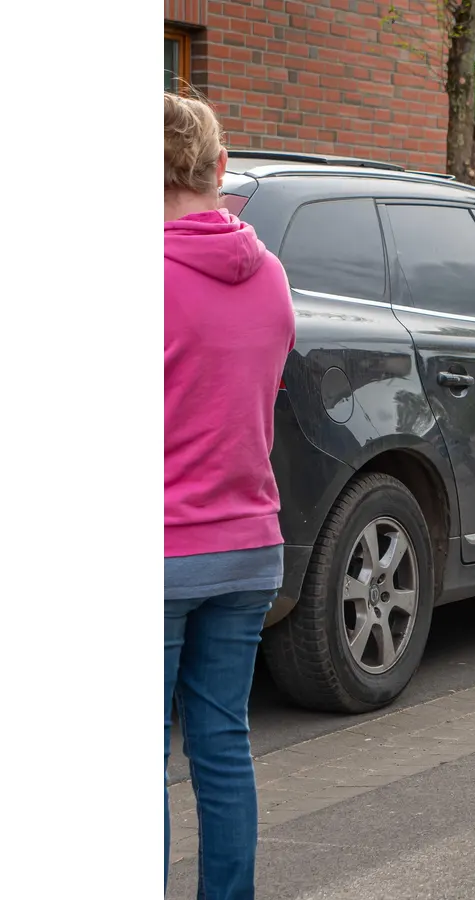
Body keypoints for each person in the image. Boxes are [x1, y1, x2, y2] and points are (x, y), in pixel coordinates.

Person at [165, 90, 296, 898]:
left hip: (159, 547)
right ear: (220, 167)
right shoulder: (272, 275)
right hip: (250, 546)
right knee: (222, 744)